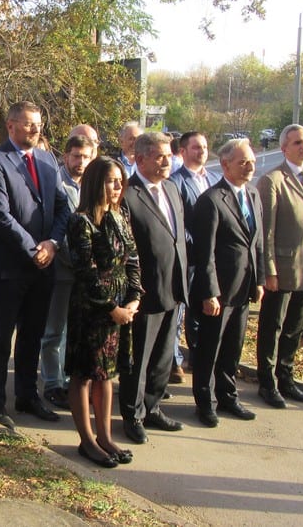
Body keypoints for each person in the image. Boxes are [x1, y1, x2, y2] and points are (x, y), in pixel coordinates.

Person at [0, 101, 71, 429]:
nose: (36, 129)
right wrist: (33, 248)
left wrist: (52, 243)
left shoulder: (47, 160)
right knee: (0, 337)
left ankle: (28, 395)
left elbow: (63, 207)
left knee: (32, 334)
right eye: (29, 124)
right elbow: (0, 216)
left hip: (43, 266)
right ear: (11, 125)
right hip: (8, 267)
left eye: (38, 124)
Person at [66, 156, 141, 468]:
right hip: (93, 310)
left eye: (120, 180)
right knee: (85, 374)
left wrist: (134, 298)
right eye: (112, 180)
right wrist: (112, 309)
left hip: (122, 307)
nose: (118, 186)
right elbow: (86, 272)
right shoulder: (80, 221)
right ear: (97, 182)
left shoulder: (120, 215)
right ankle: (87, 441)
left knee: (107, 374)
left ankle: (106, 436)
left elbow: (133, 259)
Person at [119, 131, 188, 444]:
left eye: (169, 155)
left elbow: (177, 239)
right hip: (145, 293)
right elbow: (127, 251)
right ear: (140, 158)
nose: (167, 161)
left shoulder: (172, 188)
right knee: (139, 359)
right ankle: (132, 415)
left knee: (163, 357)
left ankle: (153, 406)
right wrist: (134, 292)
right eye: (159, 156)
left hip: (173, 288)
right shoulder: (128, 195)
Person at [256, 124, 303, 408]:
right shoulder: (273, 180)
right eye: (297, 142)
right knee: (272, 326)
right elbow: (267, 231)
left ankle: (286, 377)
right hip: (283, 269)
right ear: (284, 148)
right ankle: (267, 381)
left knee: (295, 327)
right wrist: (270, 270)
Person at [190, 138, 264, 427]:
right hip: (218, 291)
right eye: (243, 162)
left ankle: (228, 396)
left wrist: (257, 279)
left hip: (243, 287)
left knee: (233, 347)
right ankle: (205, 402)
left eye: (252, 162)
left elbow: (255, 242)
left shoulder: (254, 195)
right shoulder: (210, 200)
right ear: (225, 164)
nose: (249, 167)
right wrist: (210, 293)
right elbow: (204, 252)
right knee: (210, 348)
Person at [40, 131, 95, 410]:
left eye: (86, 157)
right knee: (54, 330)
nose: (81, 162)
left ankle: (74, 379)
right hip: (61, 269)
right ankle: (52, 382)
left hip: (87, 272)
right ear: (66, 156)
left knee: (79, 329)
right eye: (76, 156)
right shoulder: (54, 183)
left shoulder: (93, 185)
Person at [168, 131, 220, 380]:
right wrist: (196, 242)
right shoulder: (175, 181)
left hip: (210, 259)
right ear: (183, 151)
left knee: (203, 309)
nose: (202, 152)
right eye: (196, 147)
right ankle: (175, 359)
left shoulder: (214, 179)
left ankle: (198, 359)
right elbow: (177, 222)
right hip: (187, 255)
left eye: (205, 147)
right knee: (179, 311)